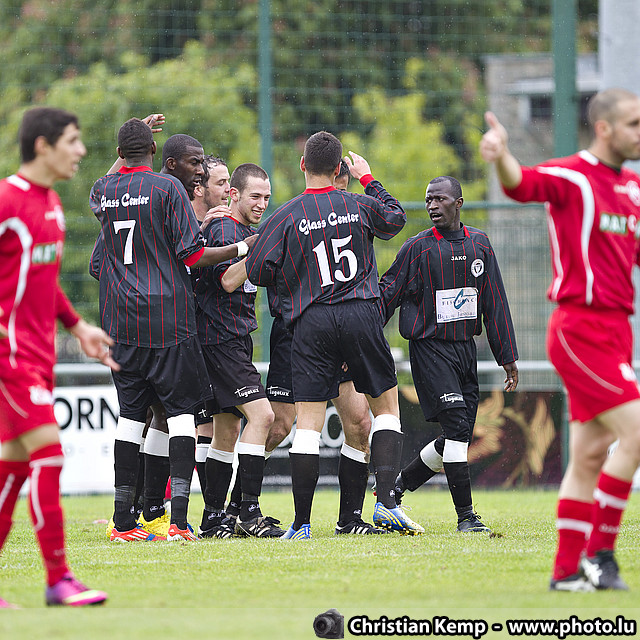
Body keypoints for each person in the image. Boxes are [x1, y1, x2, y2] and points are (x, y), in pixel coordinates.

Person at [480, 87, 640, 591]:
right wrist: (502, 155)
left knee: (590, 455)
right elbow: (521, 184)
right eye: (634, 123)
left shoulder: (633, 188)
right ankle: (601, 556)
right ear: (605, 128)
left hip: (617, 331)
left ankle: (567, 573)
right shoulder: (574, 176)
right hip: (579, 328)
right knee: (636, 433)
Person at [244, 131, 422, 539]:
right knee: (386, 411)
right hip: (360, 313)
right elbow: (395, 218)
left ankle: (302, 524)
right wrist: (368, 178)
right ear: (340, 168)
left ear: (303, 166)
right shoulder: (357, 204)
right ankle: (386, 502)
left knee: (307, 423)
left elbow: (256, 270)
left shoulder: (286, 216)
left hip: (312, 321)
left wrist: (293, 275)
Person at [90, 118, 255, 543]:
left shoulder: (104, 190)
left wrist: (127, 147)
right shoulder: (167, 189)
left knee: (131, 419)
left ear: (120, 153)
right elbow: (193, 254)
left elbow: (97, 257)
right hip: (167, 319)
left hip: (120, 323)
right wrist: (243, 246)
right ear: (155, 153)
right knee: (180, 415)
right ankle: (178, 523)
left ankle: (123, 522)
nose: (199, 170)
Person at [0, 107, 116, 607]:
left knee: (12, 469)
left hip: (37, 356)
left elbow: (42, 284)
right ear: (43, 146)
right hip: (9, 357)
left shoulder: (50, 204)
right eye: (72, 141)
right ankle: (58, 578)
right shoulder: (7, 200)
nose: (81, 151)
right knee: (49, 453)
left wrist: (78, 326)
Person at [379, 175, 519, 534]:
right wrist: (360, 344)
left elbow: (495, 302)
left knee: (457, 438)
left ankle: (393, 491)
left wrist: (507, 356)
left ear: (458, 203)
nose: (432, 205)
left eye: (439, 199)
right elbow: (387, 296)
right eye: (428, 200)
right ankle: (466, 517)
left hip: (464, 351)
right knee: (456, 429)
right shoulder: (417, 248)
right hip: (430, 350)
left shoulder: (480, 244)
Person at [193, 162, 285, 538]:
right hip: (220, 340)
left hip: (233, 339)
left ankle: (214, 518)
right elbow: (229, 281)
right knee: (263, 417)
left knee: (227, 430)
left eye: (267, 197)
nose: (262, 203)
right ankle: (248, 513)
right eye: (255, 196)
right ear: (234, 194)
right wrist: (258, 248)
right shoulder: (225, 229)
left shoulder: (243, 230)